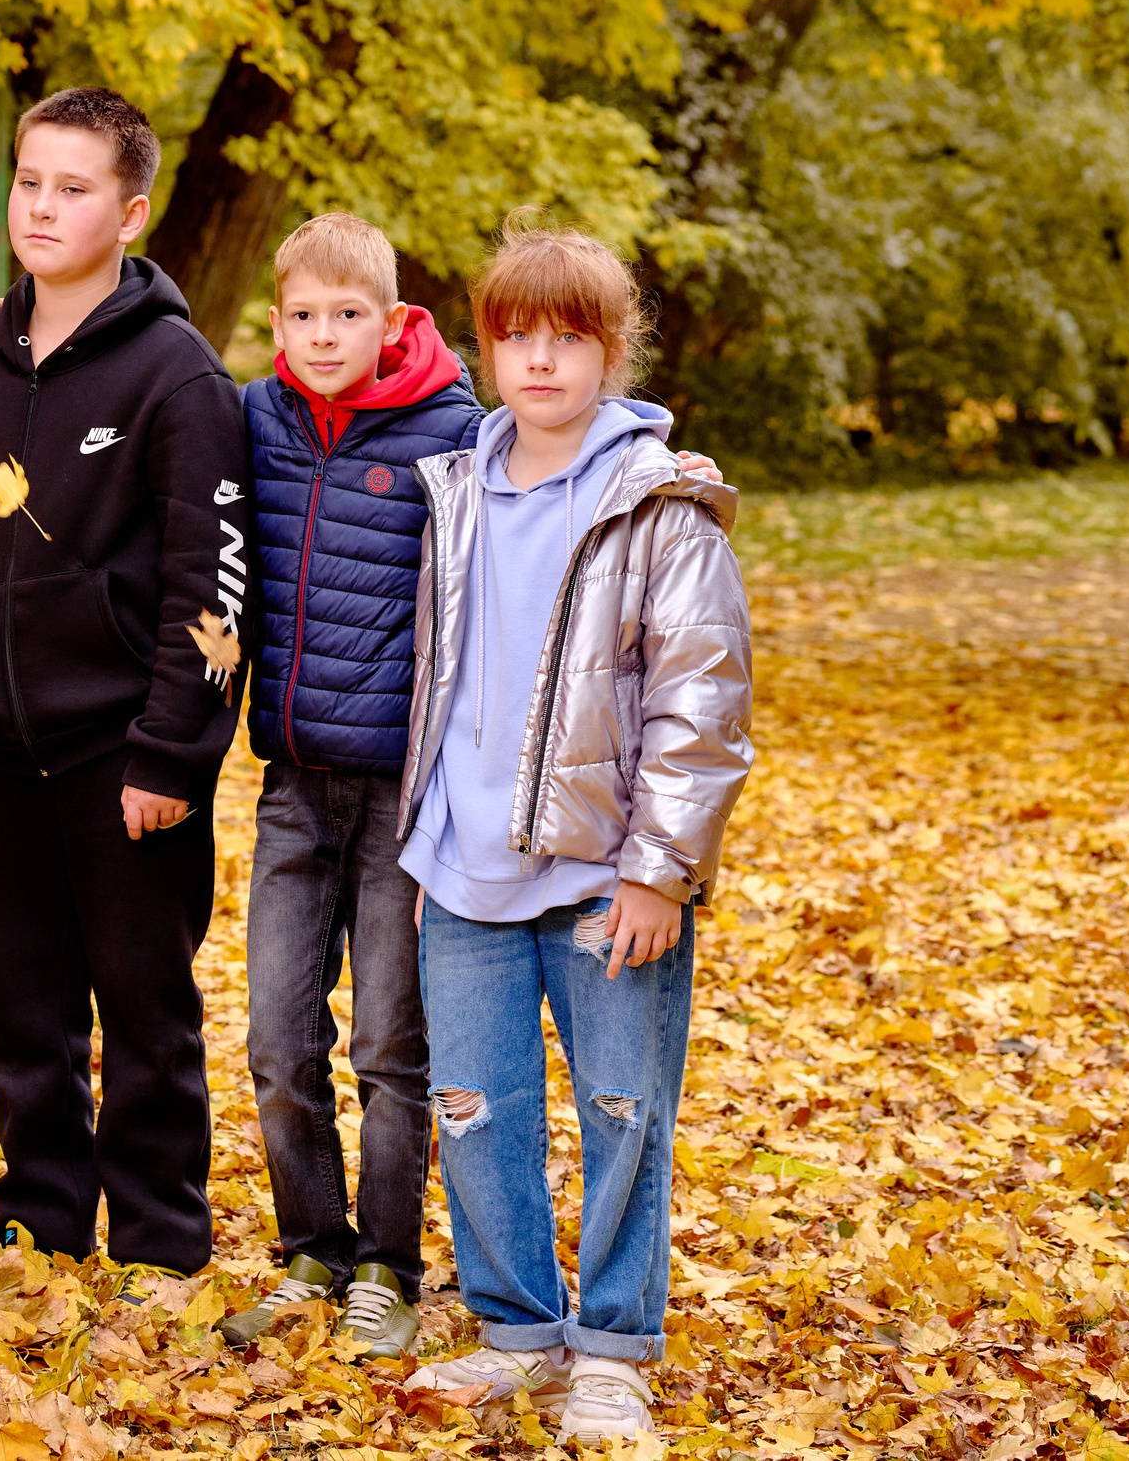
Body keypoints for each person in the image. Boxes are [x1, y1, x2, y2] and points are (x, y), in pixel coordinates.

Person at [396, 220, 754, 1440]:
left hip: (606, 876)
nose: (540, 361)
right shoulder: (456, 490)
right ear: (486, 350)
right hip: (463, 872)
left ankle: (610, 1348)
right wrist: (424, 833)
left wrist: (659, 872)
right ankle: (516, 1332)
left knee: (621, 1111)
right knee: (474, 1110)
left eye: (567, 338)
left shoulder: (660, 504)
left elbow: (701, 704)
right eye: (516, 338)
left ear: (612, 351)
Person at [0, 87, 249, 1289]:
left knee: (145, 1012)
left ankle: (158, 1246)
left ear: (130, 213)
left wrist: (171, 752)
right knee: (18, 1012)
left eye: (74, 189)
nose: (41, 207)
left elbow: (213, 581)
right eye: (30, 182)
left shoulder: (178, 378)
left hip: (121, 756)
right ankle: (40, 1231)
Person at [216, 213, 482, 1353]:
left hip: (398, 798)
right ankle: (312, 1252)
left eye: (347, 314)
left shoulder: (454, 430)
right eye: (303, 316)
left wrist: (665, 467)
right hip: (291, 784)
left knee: (386, 1045)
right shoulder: (255, 416)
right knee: (277, 1040)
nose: (323, 336)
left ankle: (387, 1267)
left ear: (391, 320)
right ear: (277, 322)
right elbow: (149, 428)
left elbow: (553, 478)